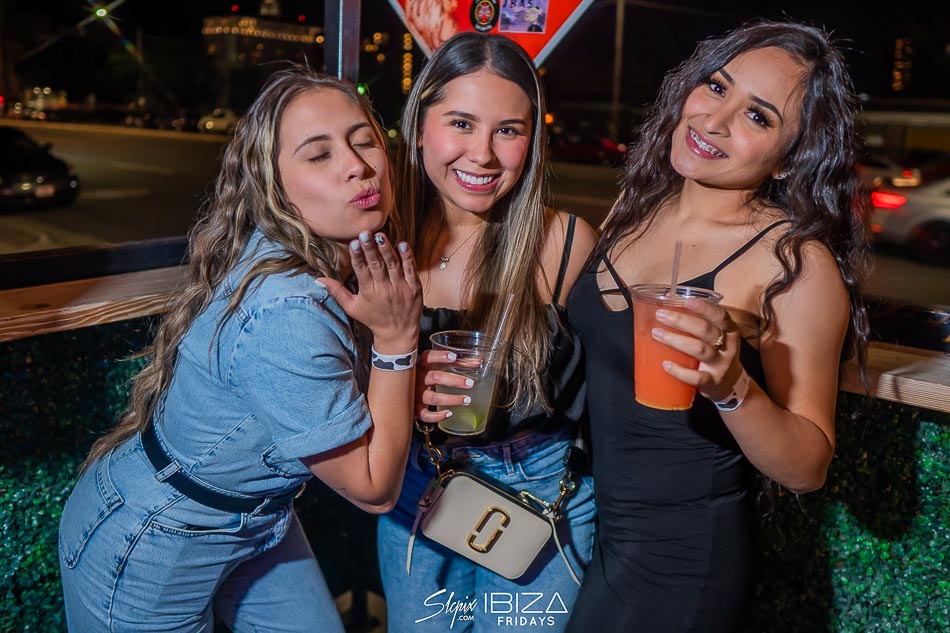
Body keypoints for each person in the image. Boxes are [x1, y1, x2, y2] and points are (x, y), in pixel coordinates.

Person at [58, 67, 422, 633]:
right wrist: (398, 343)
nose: (357, 165)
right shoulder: (288, 312)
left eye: (364, 140)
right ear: (274, 187)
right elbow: (374, 489)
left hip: (257, 519)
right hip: (150, 543)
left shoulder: (324, 254)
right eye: (319, 154)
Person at [564, 20, 871, 632]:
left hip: (683, 562)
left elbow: (808, 467)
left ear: (790, 161)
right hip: (598, 534)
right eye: (715, 86)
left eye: (757, 116)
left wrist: (732, 387)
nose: (714, 119)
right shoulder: (634, 212)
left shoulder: (793, 263)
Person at [375, 32, 599, 632]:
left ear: (533, 141)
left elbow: (609, 393)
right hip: (418, 483)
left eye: (508, 130)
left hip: (542, 488)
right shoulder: (381, 240)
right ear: (419, 126)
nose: (483, 154)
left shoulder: (564, 243)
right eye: (461, 124)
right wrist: (395, 381)